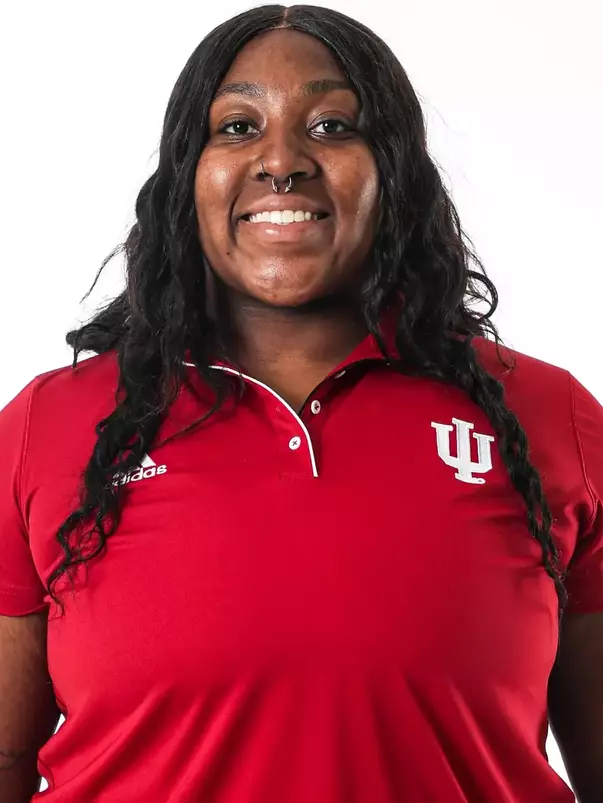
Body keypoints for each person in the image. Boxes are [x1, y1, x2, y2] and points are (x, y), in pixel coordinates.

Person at [0, 4, 601, 801]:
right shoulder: (52, 426)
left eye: (330, 126)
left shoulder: (546, 415)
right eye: (238, 126)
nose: (280, 161)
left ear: (396, 171)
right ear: (188, 173)